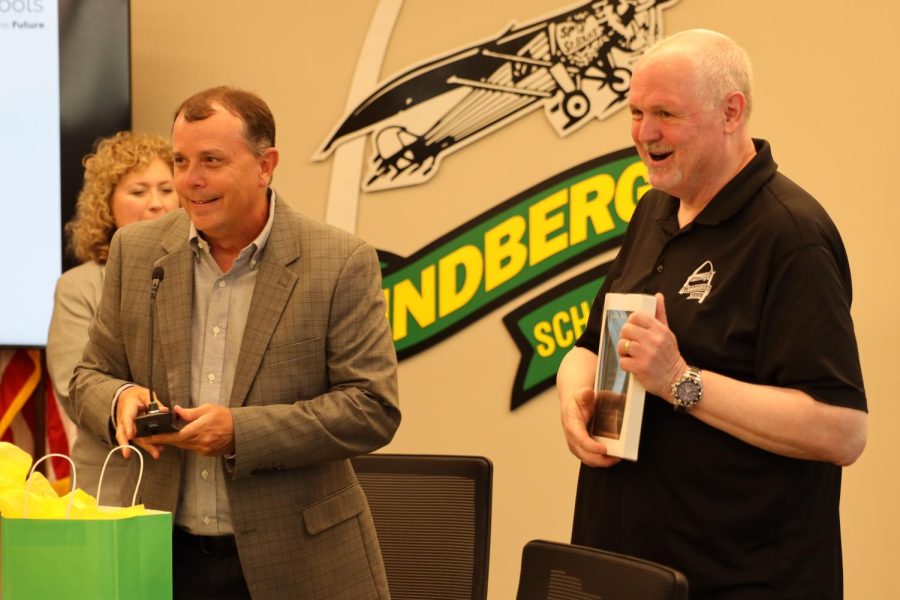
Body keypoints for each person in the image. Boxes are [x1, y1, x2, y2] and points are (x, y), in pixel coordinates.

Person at [556, 29, 867, 599]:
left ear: (731, 112)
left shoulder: (792, 236)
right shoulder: (656, 208)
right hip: (623, 570)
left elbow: (842, 431)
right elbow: (587, 346)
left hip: (739, 580)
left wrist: (681, 381)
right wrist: (575, 405)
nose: (645, 133)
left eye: (666, 114)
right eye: (636, 112)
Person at [69, 86, 401, 600]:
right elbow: (88, 376)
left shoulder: (339, 261)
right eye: (181, 160)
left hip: (298, 561)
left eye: (211, 161)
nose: (190, 180)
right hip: (161, 555)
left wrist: (239, 433)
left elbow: (371, 408)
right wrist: (120, 400)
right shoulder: (136, 252)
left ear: (265, 165)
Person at [47, 131, 178, 504]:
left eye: (167, 189)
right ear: (107, 205)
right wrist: (131, 404)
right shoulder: (79, 286)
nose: (156, 204)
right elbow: (74, 387)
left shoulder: (208, 272)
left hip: (196, 490)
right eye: (139, 192)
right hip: (110, 487)